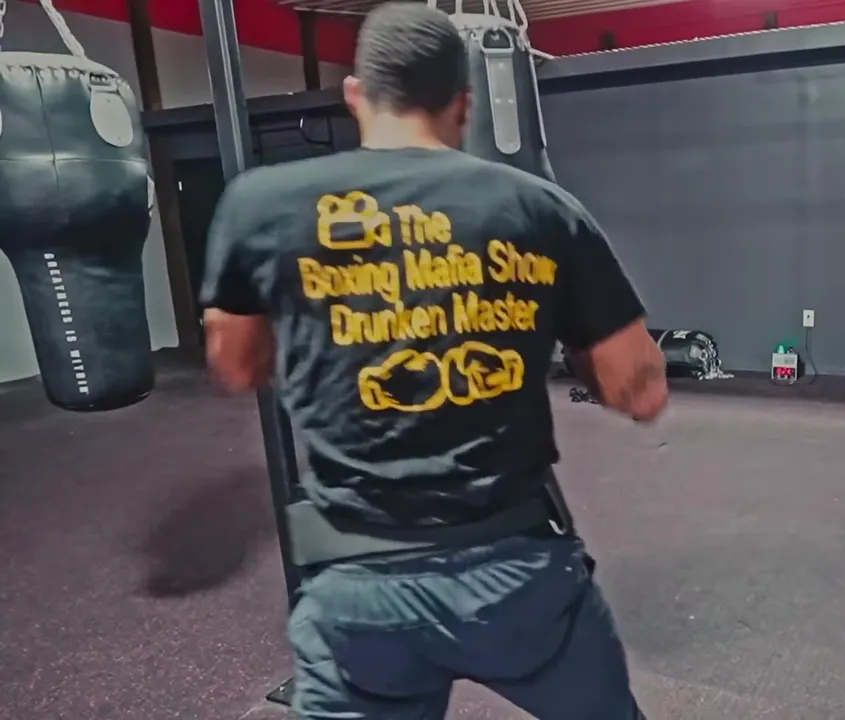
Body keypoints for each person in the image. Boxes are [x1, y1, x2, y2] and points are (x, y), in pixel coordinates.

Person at [198, 3, 668, 718]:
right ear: (466, 104)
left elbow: (234, 369)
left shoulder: (259, 204)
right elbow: (640, 391)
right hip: (516, 576)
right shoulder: (542, 209)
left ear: (356, 94)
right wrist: (545, 330)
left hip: (356, 586)